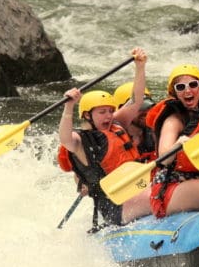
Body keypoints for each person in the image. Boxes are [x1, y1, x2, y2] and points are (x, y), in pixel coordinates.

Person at [58, 48, 152, 228]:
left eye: (110, 111)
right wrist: (69, 107)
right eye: (102, 112)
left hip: (137, 189)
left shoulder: (116, 124)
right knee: (159, 195)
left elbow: (136, 101)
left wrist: (140, 68)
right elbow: (65, 138)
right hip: (114, 206)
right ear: (87, 115)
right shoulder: (80, 141)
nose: (108, 116)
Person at [145, 64, 199, 218]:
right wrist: (178, 144)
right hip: (172, 186)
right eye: (180, 87)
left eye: (193, 85)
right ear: (174, 93)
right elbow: (164, 157)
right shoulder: (173, 120)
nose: (188, 90)